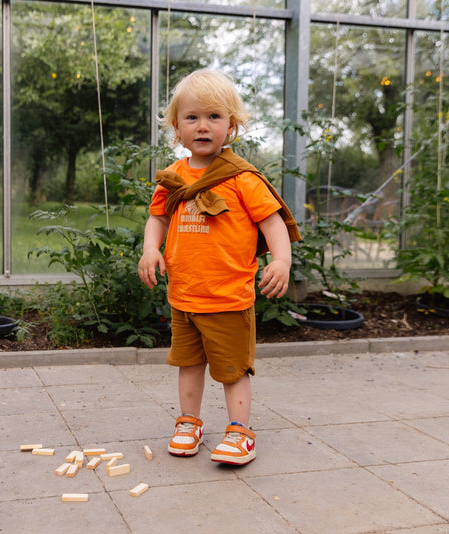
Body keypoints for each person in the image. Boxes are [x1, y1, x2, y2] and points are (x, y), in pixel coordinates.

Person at [138, 69, 300, 466]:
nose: (203, 126)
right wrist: (149, 250)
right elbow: (158, 218)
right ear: (176, 127)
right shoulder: (174, 177)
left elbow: (272, 221)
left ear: (232, 126)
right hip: (184, 295)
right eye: (192, 117)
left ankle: (240, 432)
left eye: (214, 117)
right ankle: (189, 423)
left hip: (228, 297)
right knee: (188, 365)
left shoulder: (241, 178)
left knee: (231, 369)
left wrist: (281, 259)